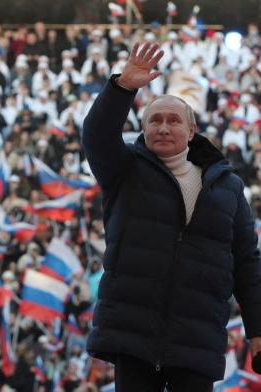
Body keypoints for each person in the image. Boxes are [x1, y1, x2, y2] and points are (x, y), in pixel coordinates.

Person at [82, 42, 261, 391]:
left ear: (192, 132)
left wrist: (258, 330)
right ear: (143, 129)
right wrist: (122, 88)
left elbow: (247, 264)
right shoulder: (124, 170)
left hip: (197, 341)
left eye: (173, 120)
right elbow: (97, 136)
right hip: (133, 337)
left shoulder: (228, 187)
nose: (163, 127)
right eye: (155, 120)